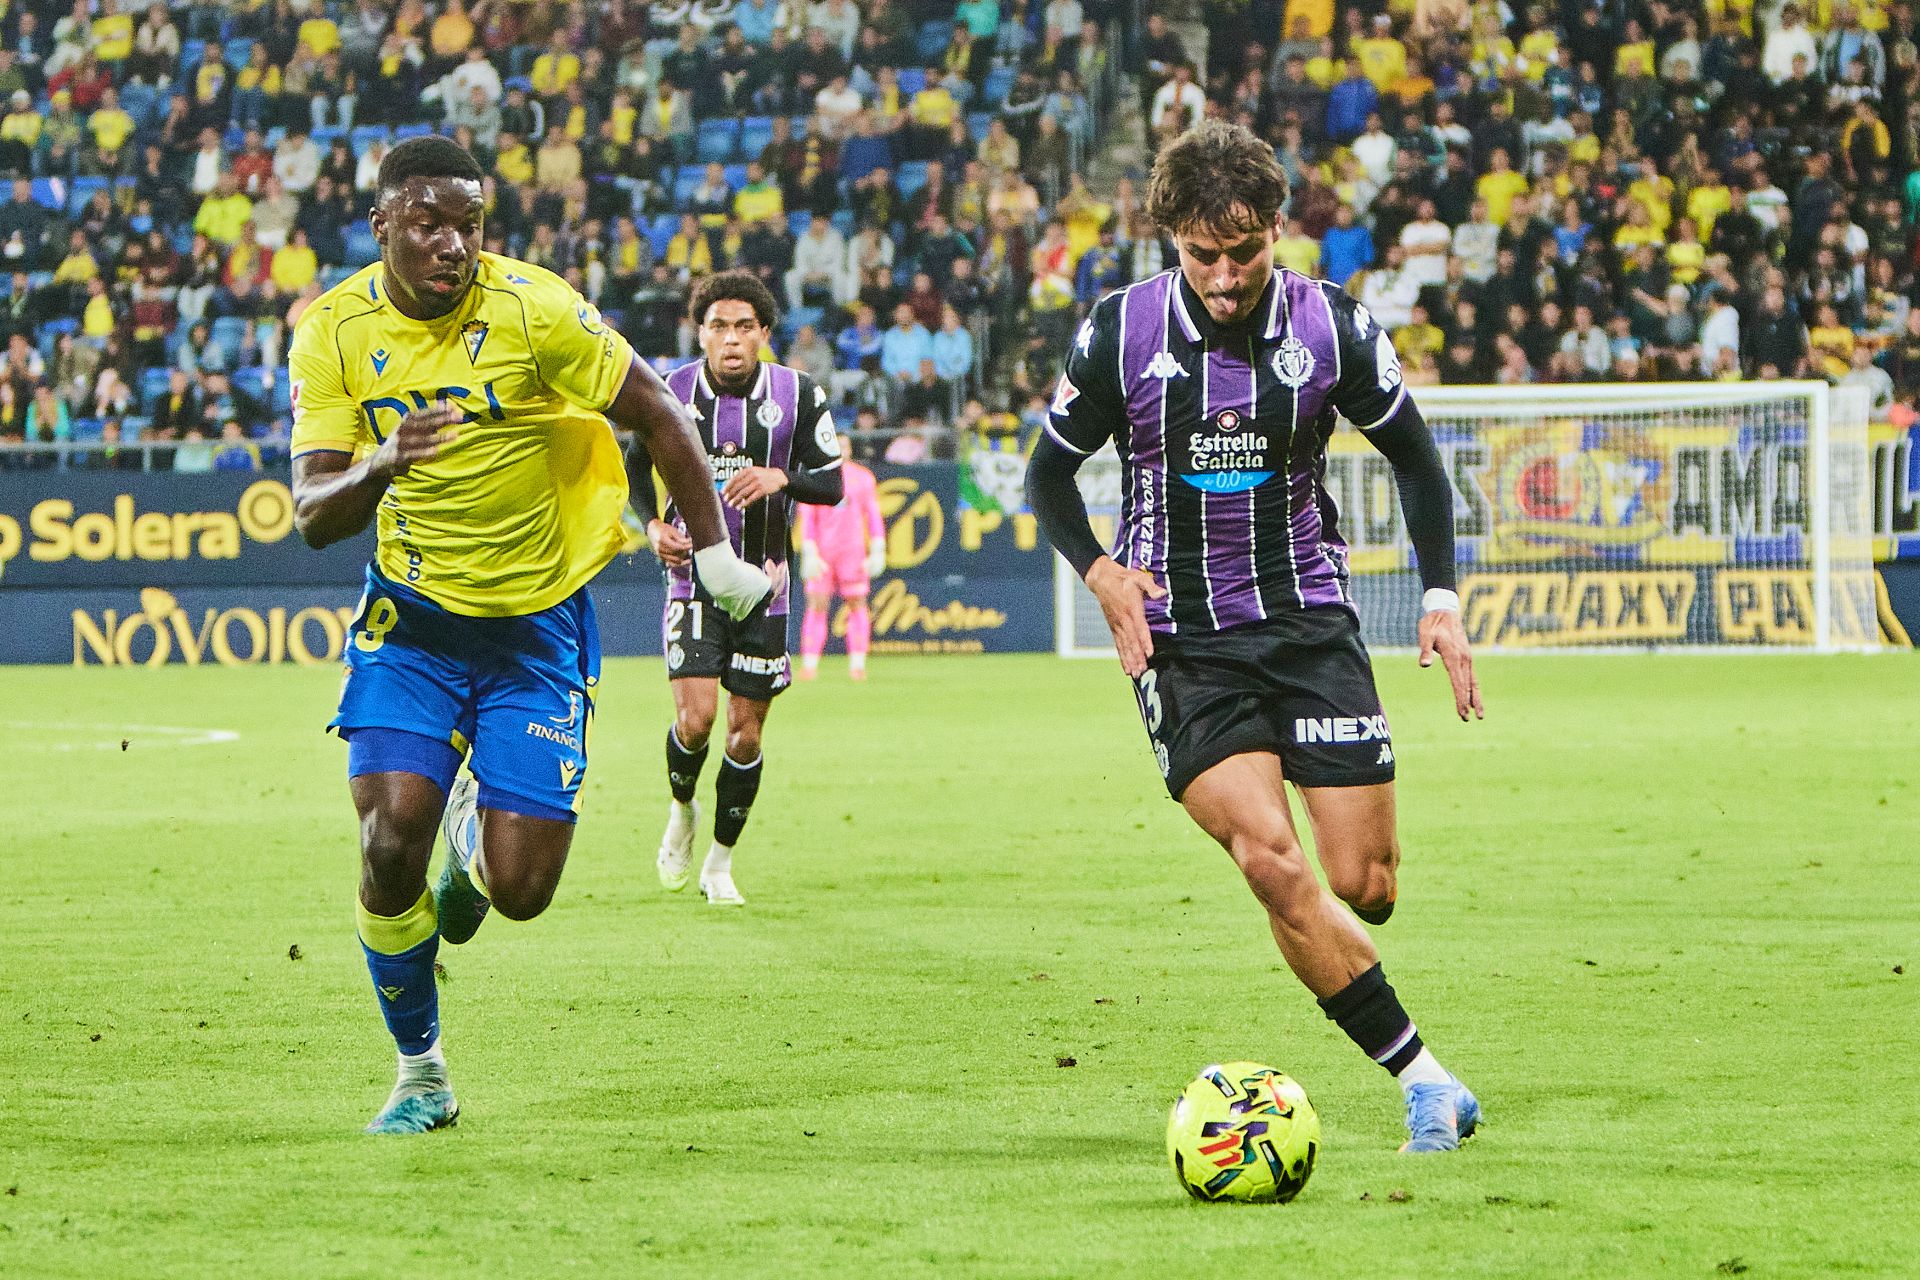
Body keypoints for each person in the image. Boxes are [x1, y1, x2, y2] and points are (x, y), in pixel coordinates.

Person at [286, 137, 770, 1136]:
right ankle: (422, 1072)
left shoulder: (534, 309)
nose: (452, 245)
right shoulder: (333, 332)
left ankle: (474, 845)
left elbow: (660, 411)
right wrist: (381, 463)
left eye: (468, 225)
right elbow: (312, 512)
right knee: (385, 841)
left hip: (534, 628)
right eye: (428, 224)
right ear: (381, 226)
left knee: (520, 891)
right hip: (410, 623)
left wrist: (716, 558)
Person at [1024, 121, 1485, 1154]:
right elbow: (1046, 476)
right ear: (1170, 240)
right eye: (1202, 254)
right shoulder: (1120, 332)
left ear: (1278, 231)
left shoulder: (1333, 328)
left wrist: (1442, 597)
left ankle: (1371, 986)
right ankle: (1424, 1078)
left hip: (1307, 620)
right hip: (1181, 638)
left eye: (1245, 252)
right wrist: (1100, 570)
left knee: (1366, 882)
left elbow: (1415, 461)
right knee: (1271, 859)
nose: (1225, 277)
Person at [631, 270, 846, 906]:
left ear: (763, 334)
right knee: (695, 721)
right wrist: (649, 524)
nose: (731, 339)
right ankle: (681, 810)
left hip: (766, 587)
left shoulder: (799, 394)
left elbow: (830, 483)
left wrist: (781, 478)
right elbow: (632, 465)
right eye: (719, 326)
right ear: (700, 332)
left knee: (744, 735)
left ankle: (720, 864)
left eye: (744, 327)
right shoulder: (669, 391)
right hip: (689, 579)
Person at [795, 433, 885, 680]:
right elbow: (808, 520)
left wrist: (877, 549)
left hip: (852, 552)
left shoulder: (862, 478)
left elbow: (874, 516)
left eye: (843, 445)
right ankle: (810, 664)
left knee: (857, 604)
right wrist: (809, 552)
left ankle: (857, 664)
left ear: (849, 448)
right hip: (823, 553)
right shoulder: (815, 477)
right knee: (816, 604)